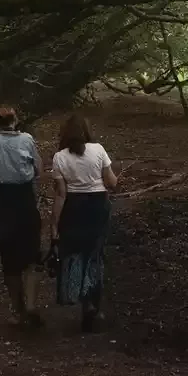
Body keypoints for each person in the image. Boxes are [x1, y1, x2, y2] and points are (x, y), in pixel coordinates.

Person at [0, 105, 45, 329]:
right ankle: (31, 306)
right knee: (32, 255)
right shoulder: (27, 140)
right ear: (16, 121)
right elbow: (39, 168)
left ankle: (17, 310)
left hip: (2, 201)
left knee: (9, 260)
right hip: (25, 200)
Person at [49, 113, 117, 332]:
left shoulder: (59, 157)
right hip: (97, 206)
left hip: (73, 208)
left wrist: (54, 223)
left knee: (76, 253)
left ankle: (81, 299)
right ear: (87, 131)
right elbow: (111, 182)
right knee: (95, 254)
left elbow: (60, 194)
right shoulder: (98, 150)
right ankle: (94, 305)